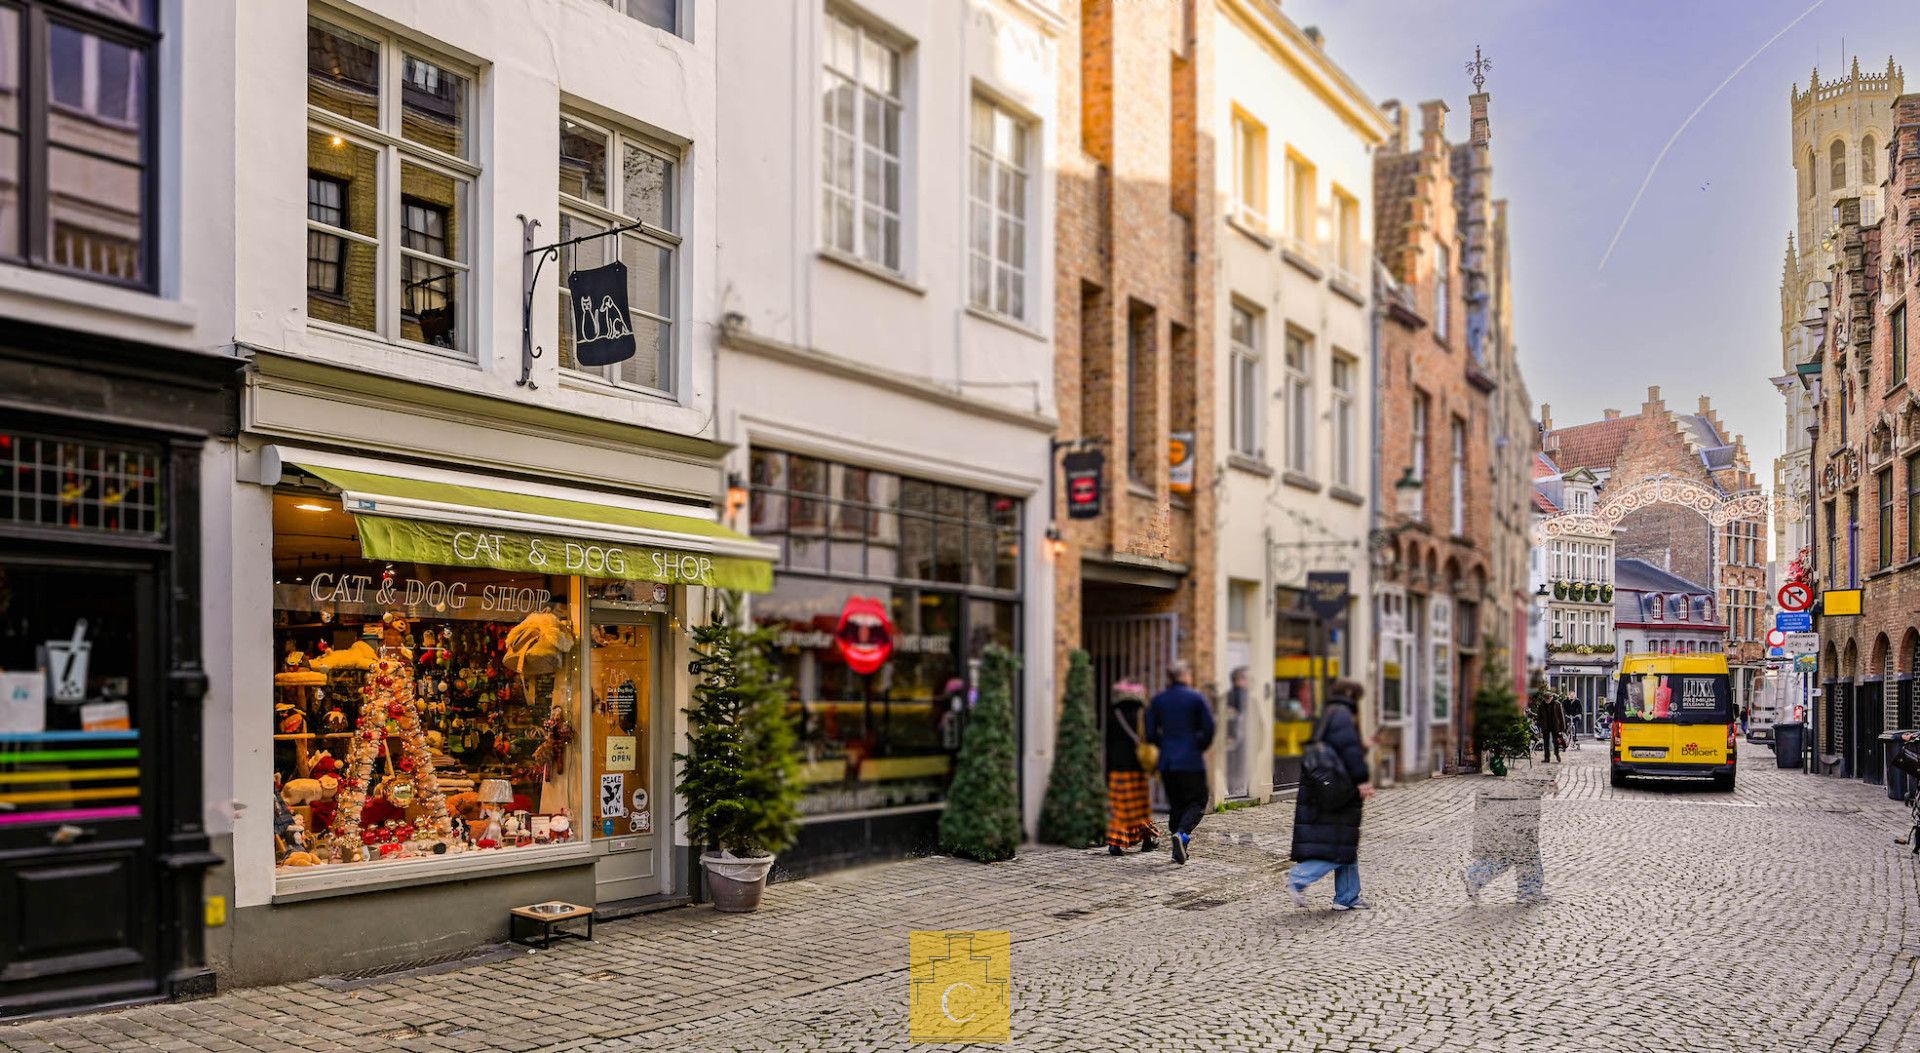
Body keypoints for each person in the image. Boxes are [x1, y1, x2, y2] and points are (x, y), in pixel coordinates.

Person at [1288, 679, 1375, 910]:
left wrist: (1362, 745)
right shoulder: (1341, 713)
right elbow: (1348, 749)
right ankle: (1299, 877)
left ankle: (1347, 896)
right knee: (1337, 845)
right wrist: (1362, 779)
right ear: (1349, 693)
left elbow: (1338, 746)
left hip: (1328, 785)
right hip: (1337, 787)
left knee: (1346, 843)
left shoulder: (1331, 712)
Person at [1147, 661, 1214, 865]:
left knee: (1176, 805)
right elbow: (1209, 728)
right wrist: (1198, 745)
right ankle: (1182, 834)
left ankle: (1179, 849)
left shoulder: (1159, 700)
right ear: (1185, 676)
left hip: (1168, 762)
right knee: (1199, 801)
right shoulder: (1196, 698)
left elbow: (1150, 733)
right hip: (1191, 761)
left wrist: (1165, 745)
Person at [1464, 763, 1555, 905]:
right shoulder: (1527, 779)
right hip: (1518, 815)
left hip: (1518, 813)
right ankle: (1474, 876)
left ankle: (1530, 891)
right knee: (1514, 854)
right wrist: (1546, 780)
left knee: (1526, 854)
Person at [1103, 680, 1159, 856]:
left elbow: (1107, 744)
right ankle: (1148, 838)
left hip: (1117, 767)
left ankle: (1115, 843)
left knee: (1120, 807)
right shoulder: (1143, 713)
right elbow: (1151, 738)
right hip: (1137, 767)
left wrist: (1107, 770)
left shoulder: (1113, 714)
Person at [1534, 691, 1567, 762]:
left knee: (1556, 741)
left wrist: (1563, 727)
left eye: (1549, 699)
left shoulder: (1557, 704)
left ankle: (1557, 754)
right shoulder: (1541, 705)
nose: (1547, 700)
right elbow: (1539, 716)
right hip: (1545, 726)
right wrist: (1539, 725)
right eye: (1546, 699)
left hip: (1555, 725)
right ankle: (1547, 757)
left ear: (1552, 698)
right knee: (1546, 742)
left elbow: (1561, 716)